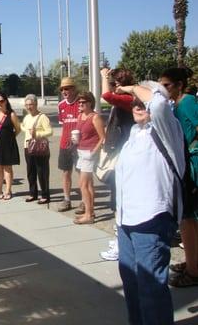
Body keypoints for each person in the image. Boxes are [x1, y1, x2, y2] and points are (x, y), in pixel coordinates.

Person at [115, 82, 184, 325]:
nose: (137, 105)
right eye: (134, 102)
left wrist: (132, 87)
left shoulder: (168, 128)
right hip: (126, 221)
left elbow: (158, 103)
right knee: (132, 283)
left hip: (152, 219)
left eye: (141, 100)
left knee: (151, 287)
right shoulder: (135, 133)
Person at [159, 67, 198, 287]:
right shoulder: (176, 105)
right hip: (183, 165)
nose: (163, 90)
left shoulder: (188, 103)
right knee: (188, 219)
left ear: (179, 85)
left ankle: (193, 271)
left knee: (187, 219)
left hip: (191, 166)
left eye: (167, 85)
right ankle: (192, 261)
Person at [99, 68, 136, 260]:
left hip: (123, 155)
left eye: (114, 84)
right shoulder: (125, 100)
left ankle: (121, 244)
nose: (111, 88)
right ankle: (120, 241)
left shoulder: (127, 100)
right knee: (117, 199)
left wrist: (104, 77)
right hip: (119, 152)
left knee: (119, 201)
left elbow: (105, 96)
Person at [73, 91, 105, 225]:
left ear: (90, 102)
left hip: (89, 153)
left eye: (83, 102)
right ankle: (90, 211)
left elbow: (103, 137)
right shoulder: (80, 116)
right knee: (89, 184)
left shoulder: (95, 117)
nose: (80, 104)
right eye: (79, 102)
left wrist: (94, 152)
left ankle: (88, 214)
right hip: (80, 150)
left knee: (83, 185)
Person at [0, 92, 21, 200]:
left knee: (8, 168)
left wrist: (11, 137)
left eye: (1, 101)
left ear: (6, 101)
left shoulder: (11, 114)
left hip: (8, 144)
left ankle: (8, 190)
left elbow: (18, 129)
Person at [20, 94, 53, 204]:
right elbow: (24, 127)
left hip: (40, 148)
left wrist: (37, 134)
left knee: (42, 172)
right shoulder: (27, 117)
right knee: (31, 172)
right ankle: (32, 193)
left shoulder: (42, 117)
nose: (29, 107)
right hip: (28, 147)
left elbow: (50, 131)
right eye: (27, 105)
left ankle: (45, 195)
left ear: (36, 104)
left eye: (31, 104)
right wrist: (23, 127)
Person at [57, 77, 81, 212]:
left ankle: (84, 200)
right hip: (64, 144)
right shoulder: (61, 105)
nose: (64, 91)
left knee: (81, 172)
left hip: (79, 145)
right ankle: (67, 199)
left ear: (73, 89)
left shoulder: (81, 103)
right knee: (66, 172)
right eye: (62, 89)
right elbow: (63, 124)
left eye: (67, 88)